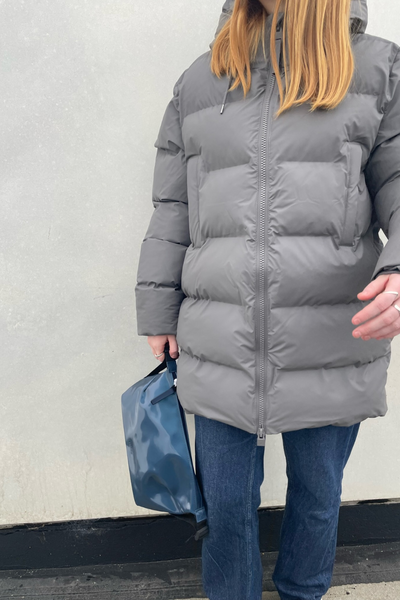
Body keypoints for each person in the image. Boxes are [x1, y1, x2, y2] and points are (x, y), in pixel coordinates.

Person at [134, 0, 400, 598]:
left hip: (332, 332)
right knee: (224, 503)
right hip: (218, 332)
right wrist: (157, 307)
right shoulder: (202, 80)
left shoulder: (377, 69)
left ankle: (303, 593)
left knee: (318, 495)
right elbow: (173, 207)